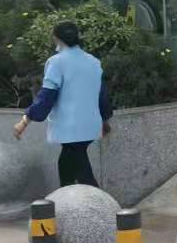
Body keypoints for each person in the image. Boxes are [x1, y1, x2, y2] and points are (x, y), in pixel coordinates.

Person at [14, 21, 112, 187]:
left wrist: (24, 121)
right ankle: (66, 195)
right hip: (91, 125)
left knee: (82, 173)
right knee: (67, 163)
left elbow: (47, 97)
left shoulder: (56, 62)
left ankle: (98, 201)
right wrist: (105, 120)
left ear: (56, 38)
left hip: (70, 127)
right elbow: (101, 96)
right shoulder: (94, 62)